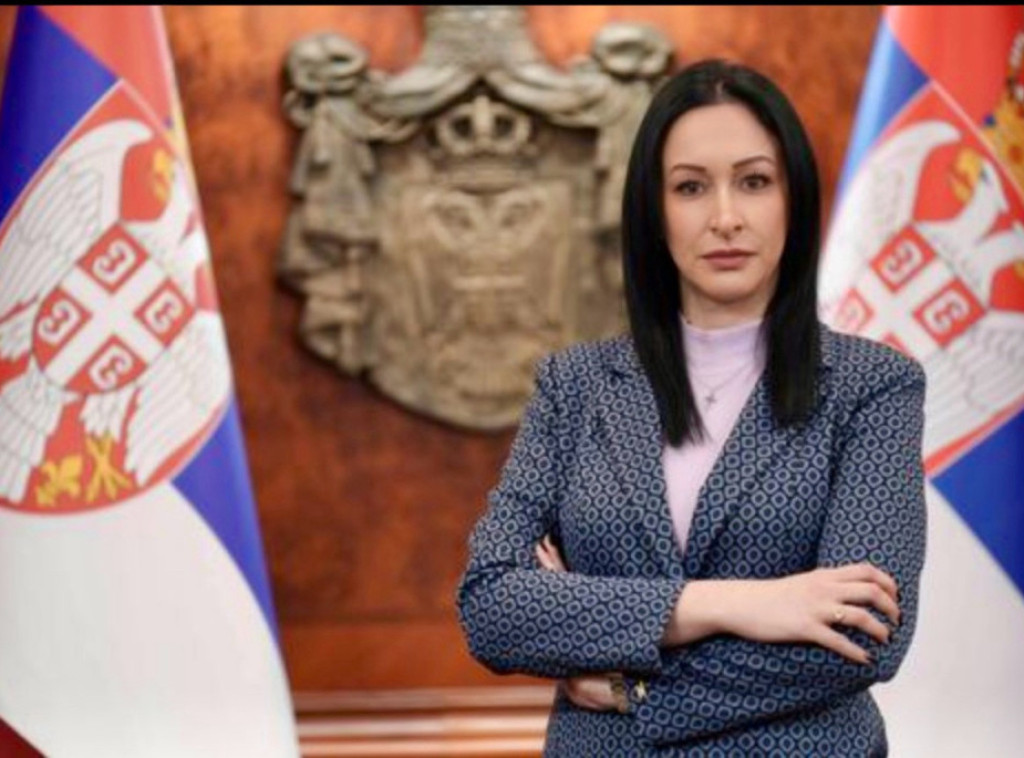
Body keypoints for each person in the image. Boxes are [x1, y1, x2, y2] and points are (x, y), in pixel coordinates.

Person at [456, 58, 926, 757]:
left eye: (754, 181)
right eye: (690, 187)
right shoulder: (574, 386)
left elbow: (863, 632)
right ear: (654, 210)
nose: (725, 217)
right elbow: (492, 606)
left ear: (794, 200)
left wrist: (627, 685)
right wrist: (742, 603)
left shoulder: (872, 386)